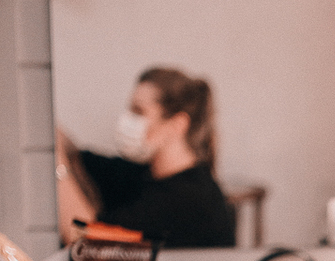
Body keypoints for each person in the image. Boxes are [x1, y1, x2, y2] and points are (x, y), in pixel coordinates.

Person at [55, 67, 235, 247]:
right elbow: (78, 157)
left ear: (177, 125)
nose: (127, 120)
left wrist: (58, 167)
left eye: (138, 111)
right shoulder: (147, 174)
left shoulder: (191, 199)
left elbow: (87, 244)